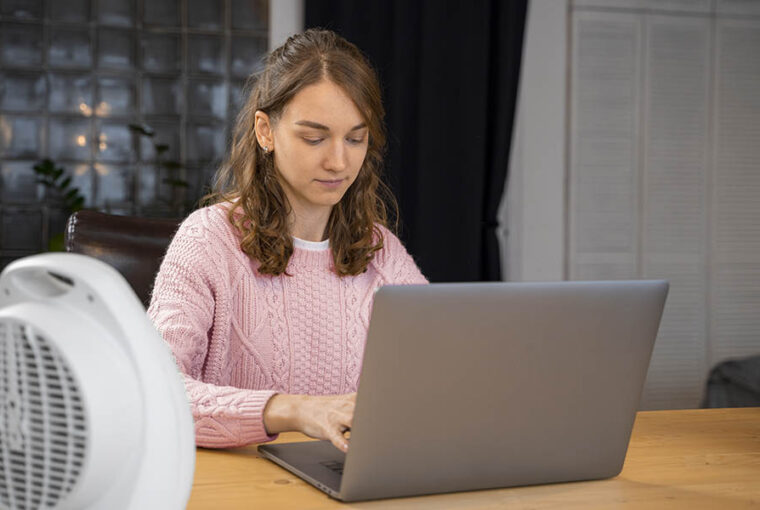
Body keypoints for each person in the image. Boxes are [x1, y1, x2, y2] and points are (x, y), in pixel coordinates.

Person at [147, 29, 427, 453]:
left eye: (355, 138)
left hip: (347, 482)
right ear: (266, 131)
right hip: (239, 487)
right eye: (314, 138)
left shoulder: (381, 251)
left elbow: (441, 373)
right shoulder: (207, 240)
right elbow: (155, 391)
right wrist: (294, 410)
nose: (338, 161)